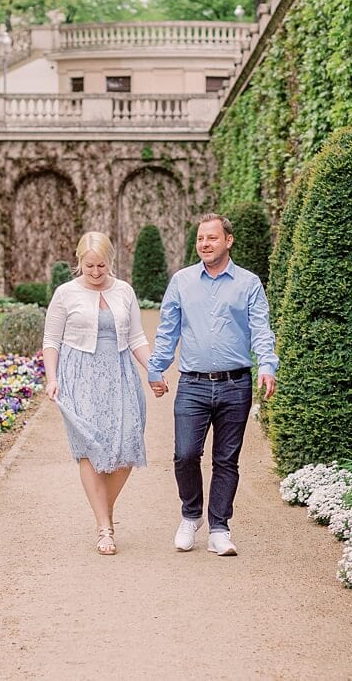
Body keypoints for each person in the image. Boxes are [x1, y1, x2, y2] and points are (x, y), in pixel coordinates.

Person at [147, 213, 278, 556]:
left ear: (228, 241)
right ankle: (191, 515)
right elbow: (167, 330)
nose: (205, 244)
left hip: (236, 385)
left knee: (226, 460)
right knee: (185, 454)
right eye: (201, 239)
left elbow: (261, 328)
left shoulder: (248, 283)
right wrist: (156, 369)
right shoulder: (182, 281)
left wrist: (267, 364)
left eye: (212, 238)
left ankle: (219, 527)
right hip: (193, 384)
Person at [43, 231, 152, 555]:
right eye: (89, 266)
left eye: (101, 266)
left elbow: (136, 338)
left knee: (128, 443)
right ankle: (104, 526)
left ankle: (103, 507)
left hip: (119, 372)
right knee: (90, 447)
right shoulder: (65, 294)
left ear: (110, 262)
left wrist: (154, 370)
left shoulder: (124, 291)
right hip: (80, 375)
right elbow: (51, 340)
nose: (95, 272)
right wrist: (52, 378)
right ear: (80, 262)